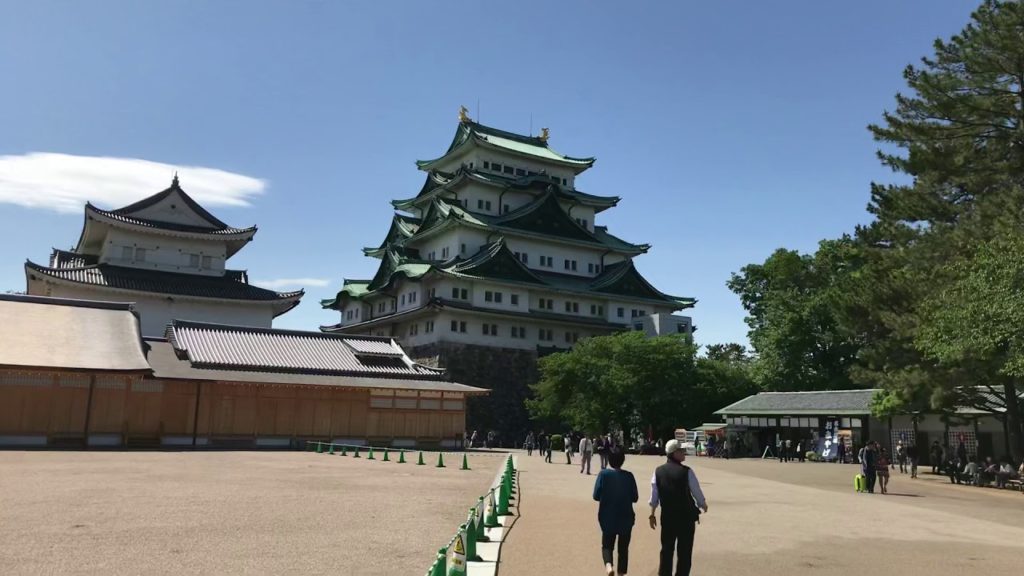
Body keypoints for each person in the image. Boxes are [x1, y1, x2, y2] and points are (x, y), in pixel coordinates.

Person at [649, 439, 707, 576]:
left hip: (668, 517)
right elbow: (696, 490)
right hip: (686, 517)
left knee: (666, 550)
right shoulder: (687, 471)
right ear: (674, 453)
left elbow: (654, 495)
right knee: (685, 552)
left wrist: (652, 514)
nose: (684, 453)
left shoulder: (658, 471)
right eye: (681, 451)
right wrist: (702, 503)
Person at [593, 448, 638, 576]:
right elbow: (635, 497)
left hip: (607, 515)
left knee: (607, 545)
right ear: (623, 460)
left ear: (609, 460)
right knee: (623, 548)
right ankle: (621, 573)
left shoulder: (603, 474)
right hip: (626, 516)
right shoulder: (629, 476)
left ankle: (608, 565)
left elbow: (596, 495)